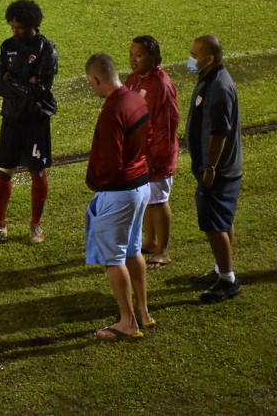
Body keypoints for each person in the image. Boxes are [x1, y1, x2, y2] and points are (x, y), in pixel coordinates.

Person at [84, 53, 154, 342]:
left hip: (119, 193)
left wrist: (94, 181)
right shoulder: (137, 97)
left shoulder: (111, 111)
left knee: (114, 259)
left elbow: (111, 164)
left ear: (96, 79)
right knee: (132, 251)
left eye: (91, 83)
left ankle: (128, 323)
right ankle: (143, 312)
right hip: (141, 186)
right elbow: (148, 138)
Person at [0, 0, 58, 246]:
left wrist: (12, 81)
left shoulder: (46, 50)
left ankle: (35, 225)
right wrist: (24, 84)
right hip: (11, 117)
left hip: (36, 119)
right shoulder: (6, 47)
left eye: (19, 27)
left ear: (32, 25)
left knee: (37, 171)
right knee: (3, 170)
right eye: (12, 27)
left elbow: (41, 91)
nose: (14, 31)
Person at [184, 35, 243, 303]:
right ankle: (221, 270)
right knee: (222, 221)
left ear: (209, 59)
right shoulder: (210, 79)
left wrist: (210, 167)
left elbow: (219, 132)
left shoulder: (219, 86)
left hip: (218, 170)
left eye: (195, 55)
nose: (191, 59)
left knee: (214, 224)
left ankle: (227, 280)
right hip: (218, 168)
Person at [124, 36, 180, 269]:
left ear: (153, 57)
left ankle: (163, 251)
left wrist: (155, 157)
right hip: (140, 153)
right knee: (146, 199)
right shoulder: (133, 79)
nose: (133, 59)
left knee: (158, 201)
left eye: (139, 55)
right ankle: (150, 241)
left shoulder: (161, 85)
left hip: (156, 155)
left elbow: (166, 125)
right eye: (131, 54)